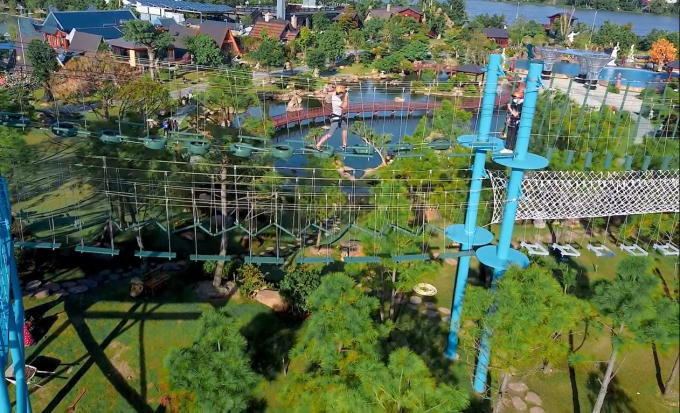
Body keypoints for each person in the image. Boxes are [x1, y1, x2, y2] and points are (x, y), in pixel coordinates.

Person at [316, 85, 349, 151]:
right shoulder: (336, 100)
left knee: (345, 128)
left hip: (340, 117)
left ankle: (344, 144)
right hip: (335, 118)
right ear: (340, 93)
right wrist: (346, 96)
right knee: (330, 134)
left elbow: (335, 91)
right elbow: (344, 106)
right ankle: (318, 145)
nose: (343, 94)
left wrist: (345, 90)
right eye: (342, 93)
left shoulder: (334, 94)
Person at [501, 89, 524, 154]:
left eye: (515, 97)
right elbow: (512, 113)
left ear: (519, 98)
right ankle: (506, 148)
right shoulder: (514, 103)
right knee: (509, 134)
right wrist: (509, 118)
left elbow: (516, 114)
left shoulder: (521, 105)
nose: (514, 99)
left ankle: (510, 149)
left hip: (516, 122)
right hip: (512, 120)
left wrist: (509, 108)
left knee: (513, 135)